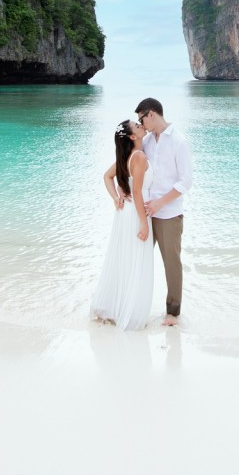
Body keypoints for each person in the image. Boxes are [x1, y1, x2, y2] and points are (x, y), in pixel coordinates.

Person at [89, 118, 154, 330]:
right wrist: (144, 224)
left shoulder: (125, 156)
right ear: (133, 137)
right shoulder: (139, 156)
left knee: (124, 258)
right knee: (134, 259)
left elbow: (107, 177)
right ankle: (129, 313)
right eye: (137, 125)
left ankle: (116, 307)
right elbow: (136, 192)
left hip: (124, 214)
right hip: (135, 213)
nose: (141, 125)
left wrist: (116, 196)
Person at [136, 96, 193, 326]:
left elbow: (185, 181)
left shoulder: (178, 141)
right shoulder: (147, 141)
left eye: (141, 118)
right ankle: (135, 306)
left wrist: (161, 202)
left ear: (151, 113)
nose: (140, 123)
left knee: (172, 264)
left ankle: (172, 313)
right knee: (138, 260)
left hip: (169, 215)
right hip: (147, 216)